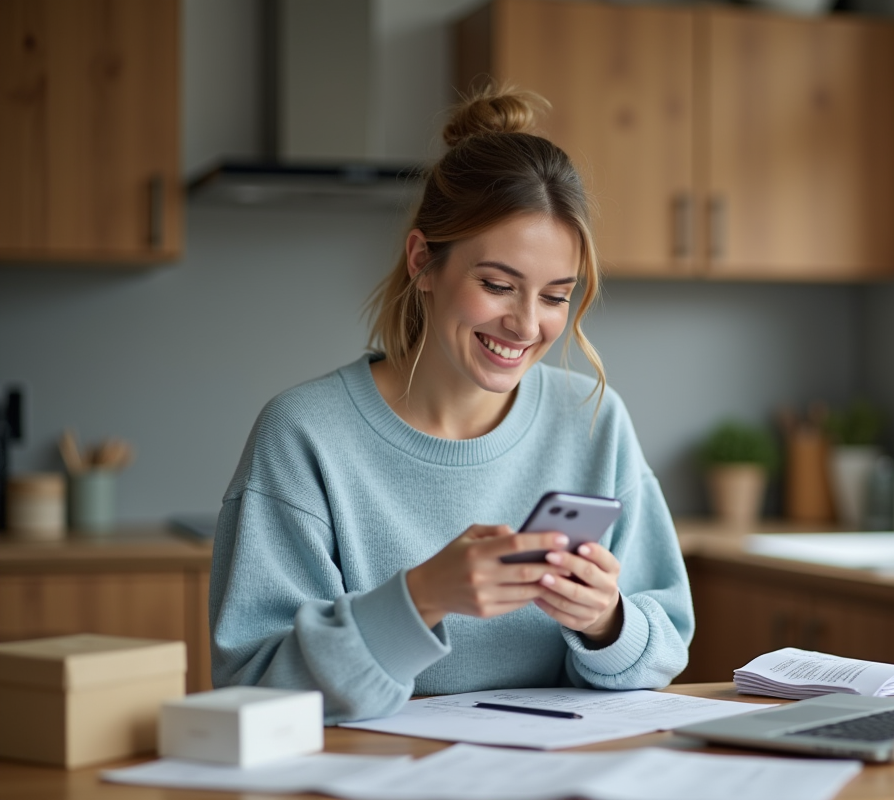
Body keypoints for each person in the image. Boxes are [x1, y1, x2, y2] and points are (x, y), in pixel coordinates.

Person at [208, 85, 694, 723]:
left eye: (555, 296)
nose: (525, 325)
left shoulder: (594, 419)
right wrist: (419, 598)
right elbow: (255, 683)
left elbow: (667, 646)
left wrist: (608, 620)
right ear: (423, 263)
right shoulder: (304, 433)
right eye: (497, 285)